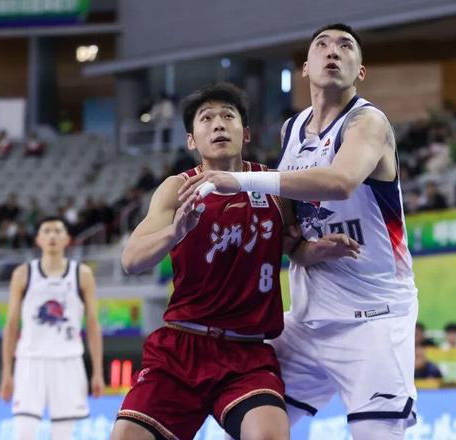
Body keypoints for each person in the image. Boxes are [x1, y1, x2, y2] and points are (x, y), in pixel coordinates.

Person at [179, 23, 419, 439]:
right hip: (306, 323)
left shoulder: (368, 123)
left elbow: (340, 182)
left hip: (372, 320)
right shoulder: (293, 129)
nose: (333, 51)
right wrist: (306, 250)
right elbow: (290, 226)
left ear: (360, 70)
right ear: (305, 67)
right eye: (322, 45)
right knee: (248, 428)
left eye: (345, 46)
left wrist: (243, 181)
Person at [112, 83, 357, 440]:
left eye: (228, 116)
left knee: (270, 436)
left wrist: (316, 251)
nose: (218, 124)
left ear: (246, 133)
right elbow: (131, 260)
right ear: (191, 140)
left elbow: (293, 248)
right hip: (181, 348)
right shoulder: (177, 188)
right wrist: (175, 232)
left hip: (246, 354)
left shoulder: (275, 187)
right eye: (206, 119)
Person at [0, 216, 105, 440]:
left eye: (57, 231)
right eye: (46, 231)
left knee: (64, 435)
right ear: (38, 239)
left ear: (67, 238)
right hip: (30, 360)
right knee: (24, 433)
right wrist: (7, 372)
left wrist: (97, 372)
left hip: (68, 360)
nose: (52, 236)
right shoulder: (23, 274)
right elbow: (11, 325)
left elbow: (93, 324)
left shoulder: (82, 274)